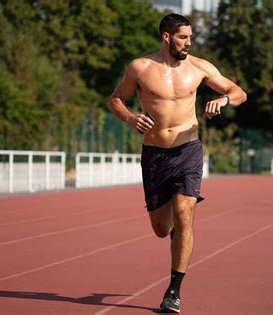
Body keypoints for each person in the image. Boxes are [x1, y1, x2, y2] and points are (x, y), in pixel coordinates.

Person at [107, 13, 247, 313]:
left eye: (191, 37)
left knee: (185, 211)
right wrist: (131, 118)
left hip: (188, 150)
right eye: (183, 37)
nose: (189, 42)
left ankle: (173, 290)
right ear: (166, 37)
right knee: (161, 228)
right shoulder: (140, 67)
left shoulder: (199, 67)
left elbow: (238, 92)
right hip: (154, 154)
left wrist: (222, 100)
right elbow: (115, 99)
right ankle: (175, 233)